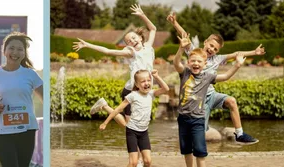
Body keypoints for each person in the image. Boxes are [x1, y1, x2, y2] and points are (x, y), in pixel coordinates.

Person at [167, 12, 263, 144]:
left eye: (215, 49)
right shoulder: (195, 52)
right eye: (210, 45)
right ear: (205, 42)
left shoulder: (218, 59)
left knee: (231, 101)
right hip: (198, 100)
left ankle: (239, 134)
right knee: (201, 131)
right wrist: (174, 23)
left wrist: (254, 52)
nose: (211, 49)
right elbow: (185, 36)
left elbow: (236, 54)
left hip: (211, 95)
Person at [74, 4, 156, 125]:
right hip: (131, 90)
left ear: (139, 37)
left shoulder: (149, 47)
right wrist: (88, 45)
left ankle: (104, 105)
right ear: (128, 45)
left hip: (144, 88)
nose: (132, 41)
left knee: (138, 122)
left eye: (133, 38)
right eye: (128, 41)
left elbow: (153, 28)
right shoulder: (130, 52)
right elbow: (107, 51)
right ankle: (105, 106)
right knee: (127, 125)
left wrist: (142, 15)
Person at [173, 33, 245, 167]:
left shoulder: (208, 76)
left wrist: (237, 65)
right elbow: (176, 63)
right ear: (188, 62)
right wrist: (181, 49)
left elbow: (225, 77)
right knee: (186, 150)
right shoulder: (185, 73)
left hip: (198, 120)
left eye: (199, 61)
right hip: (183, 119)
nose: (196, 63)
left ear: (204, 64)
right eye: (193, 61)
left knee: (200, 152)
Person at [0, 32, 43, 167]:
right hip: (2, 131)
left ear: (24, 53)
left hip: (26, 129)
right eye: (11, 48)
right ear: (4, 51)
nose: (15, 52)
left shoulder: (30, 74)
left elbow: (46, 99)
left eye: (20, 49)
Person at [94, 69, 169, 167]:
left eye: (148, 80)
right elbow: (117, 110)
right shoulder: (133, 95)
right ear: (137, 85)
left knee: (147, 161)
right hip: (132, 132)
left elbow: (166, 89)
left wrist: (157, 77)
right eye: (143, 81)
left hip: (144, 132)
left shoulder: (151, 94)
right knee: (133, 162)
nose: (146, 83)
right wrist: (105, 123)